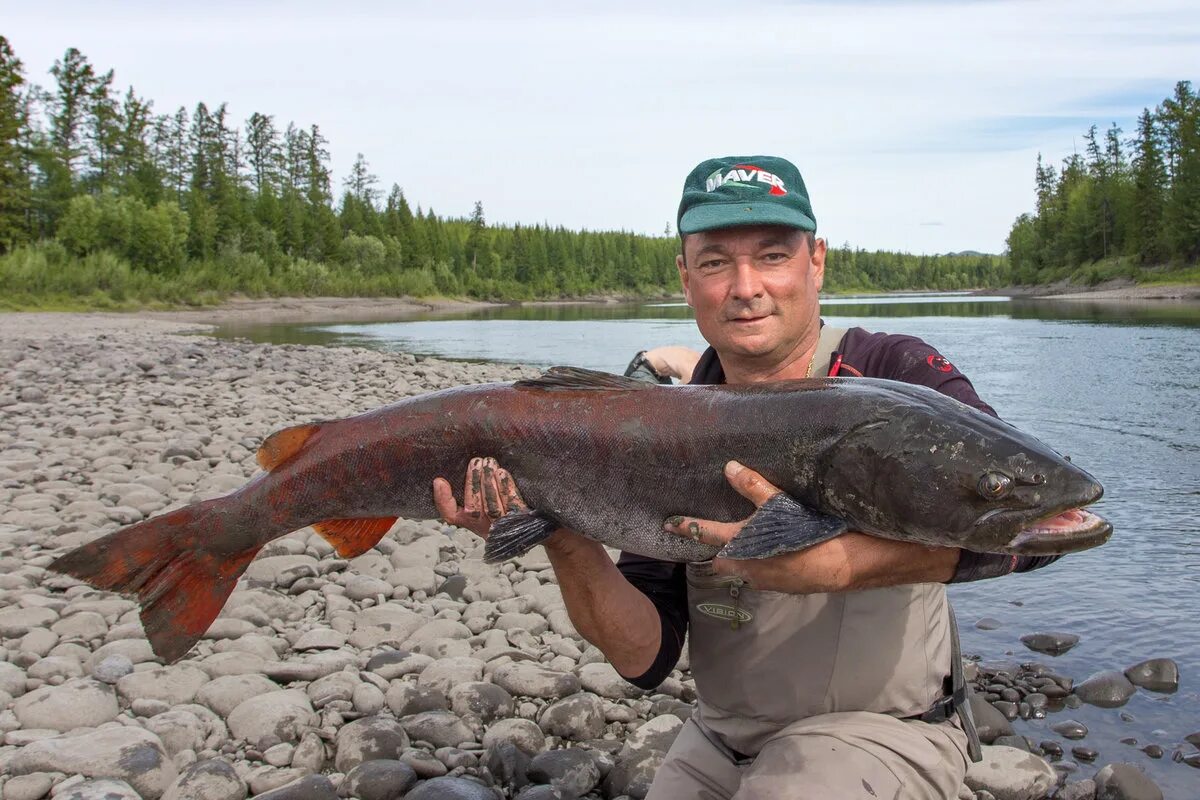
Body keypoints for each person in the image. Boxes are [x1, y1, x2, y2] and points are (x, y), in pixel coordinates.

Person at [433, 155, 1062, 799]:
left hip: (884, 733)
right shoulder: (656, 426)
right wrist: (562, 532)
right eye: (714, 262)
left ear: (816, 261)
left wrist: (843, 565)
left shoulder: (894, 374)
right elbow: (642, 658)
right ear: (685, 277)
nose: (745, 286)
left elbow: (1038, 527)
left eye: (771, 256)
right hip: (717, 738)